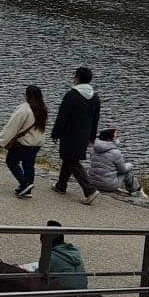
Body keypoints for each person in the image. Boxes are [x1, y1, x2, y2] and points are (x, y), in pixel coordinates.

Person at [51, 66, 100, 202]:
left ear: (77, 78)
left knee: (72, 160)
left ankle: (89, 190)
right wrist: (92, 137)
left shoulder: (72, 95)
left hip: (69, 134)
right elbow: (95, 119)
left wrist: (56, 132)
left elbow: (62, 116)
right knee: (69, 158)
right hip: (83, 135)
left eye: (74, 75)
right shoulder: (95, 97)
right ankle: (61, 185)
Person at [0, 84, 47, 199]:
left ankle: (25, 184)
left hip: (24, 143)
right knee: (29, 164)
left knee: (11, 162)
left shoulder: (24, 109)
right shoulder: (43, 108)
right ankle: (27, 189)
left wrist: (1, 140)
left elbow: (12, 126)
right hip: (36, 143)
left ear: (27, 95)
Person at [87, 127, 139, 197]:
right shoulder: (115, 152)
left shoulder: (93, 148)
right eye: (116, 137)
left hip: (92, 183)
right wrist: (130, 165)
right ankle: (136, 191)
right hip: (108, 186)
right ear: (109, 139)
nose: (117, 139)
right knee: (128, 171)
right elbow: (122, 170)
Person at [45, 222, 89, 291]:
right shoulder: (74, 252)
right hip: (82, 293)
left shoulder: (51, 257)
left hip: (65, 296)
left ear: (46, 241)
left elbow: (38, 277)